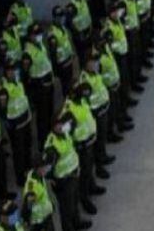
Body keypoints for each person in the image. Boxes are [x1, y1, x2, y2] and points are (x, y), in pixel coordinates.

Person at [61, 83, 102, 217]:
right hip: (80, 146)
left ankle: (92, 186)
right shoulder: (68, 110)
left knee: (89, 168)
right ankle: (84, 199)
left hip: (89, 141)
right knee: (83, 174)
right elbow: (66, 132)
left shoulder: (82, 101)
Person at [43, 117, 88, 231]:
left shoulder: (65, 132)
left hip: (73, 174)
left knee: (74, 201)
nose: (61, 126)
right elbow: (46, 169)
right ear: (53, 127)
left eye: (62, 124)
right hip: (64, 181)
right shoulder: (52, 146)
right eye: (58, 125)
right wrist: (54, 181)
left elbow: (73, 121)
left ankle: (77, 222)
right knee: (66, 209)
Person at [0, 61, 33, 186]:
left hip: (25, 119)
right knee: (19, 152)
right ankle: (20, 178)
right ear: (5, 72)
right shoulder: (4, 88)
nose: (12, 72)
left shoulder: (17, 80)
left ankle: (28, 170)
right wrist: (8, 123)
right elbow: (2, 108)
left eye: (13, 70)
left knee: (27, 147)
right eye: (9, 71)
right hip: (16, 124)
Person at [21, 25, 54, 143]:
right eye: (36, 34)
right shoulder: (28, 53)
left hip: (48, 82)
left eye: (39, 33)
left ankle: (50, 135)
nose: (39, 36)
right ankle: (43, 141)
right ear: (30, 36)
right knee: (42, 116)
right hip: (39, 87)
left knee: (49, 112)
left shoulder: (39, 45)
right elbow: (25, 74)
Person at [21, 158, 55, 231]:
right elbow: (28, 205)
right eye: (44, 168)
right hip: (38, 219)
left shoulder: (38, 175)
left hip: (45, 214)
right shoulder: (32, 187)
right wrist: (26, 220)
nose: (46, 170)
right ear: (38, 168)